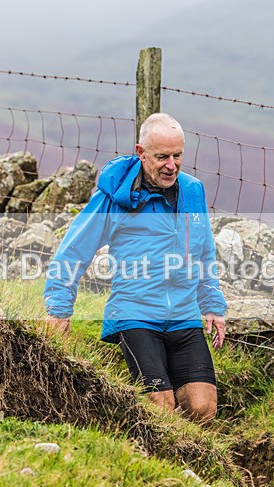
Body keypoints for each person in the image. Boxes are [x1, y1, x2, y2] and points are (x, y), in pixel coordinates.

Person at [43, 113, 227, 422]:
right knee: (160, 406)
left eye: (178, 156)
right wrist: (59, 308)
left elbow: (204, 252)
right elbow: (73, 250)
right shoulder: (114, 198)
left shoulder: (193, 191)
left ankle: (187, 468)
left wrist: (212, 304)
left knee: (203, 408)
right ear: (141, 153)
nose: (172, 165)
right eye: (162, 157)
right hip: (135, 313)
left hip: (183, 315)